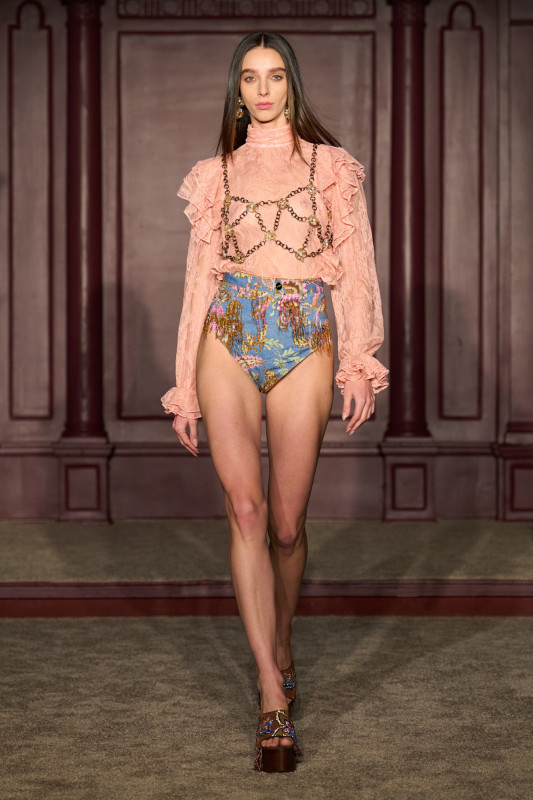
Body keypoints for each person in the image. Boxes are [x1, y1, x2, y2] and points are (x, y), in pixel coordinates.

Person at [161, 32, 388, 773]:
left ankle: (283, 641)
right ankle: (270, 694)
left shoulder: (330, 167)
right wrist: (185, 384)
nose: (263, 90)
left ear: (292, 86)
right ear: (237, 90)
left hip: (305, 335)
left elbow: (356, 266)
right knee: (246, 511)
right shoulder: (216, 175)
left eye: (276, 76)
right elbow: (199, 280)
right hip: (227, 333)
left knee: (287, 526)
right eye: (251, 78)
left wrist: (359, 360)